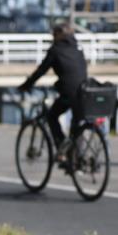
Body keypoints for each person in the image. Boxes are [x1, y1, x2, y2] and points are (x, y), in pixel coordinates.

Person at [18, 23, 88, 156]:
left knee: (51, 116)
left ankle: (62, 146)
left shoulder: (56, 50)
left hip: (68, 92)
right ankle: (77, 157)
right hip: (84, 91)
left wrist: (26, 85)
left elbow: (41, 71)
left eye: (54, 35)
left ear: (58, 35)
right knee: (77, 123)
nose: (52, 37)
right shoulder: (78, 48)